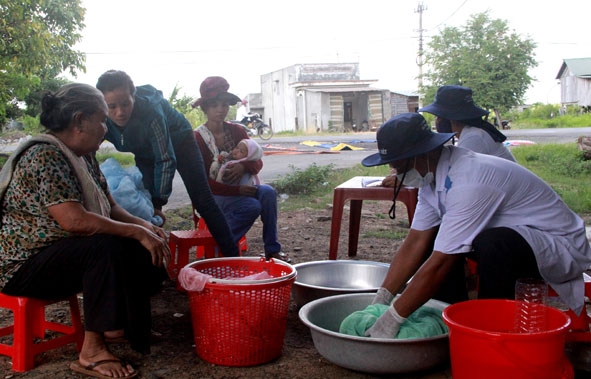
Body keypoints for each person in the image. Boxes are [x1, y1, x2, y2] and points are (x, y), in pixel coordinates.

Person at [360, 112, 591, 339]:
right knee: (437, 239)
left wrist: (394, 317)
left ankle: (490, 328)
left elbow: (442, 263)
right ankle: (448, 319)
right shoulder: (432, 179)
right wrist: (382, 297)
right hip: (519, 238)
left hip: (558, 244)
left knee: (491, 244)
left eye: (401, 167)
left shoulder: (469, 179)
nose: (397, 174)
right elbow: (416, 242)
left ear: (425, 153)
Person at [0, 83, 172, 377]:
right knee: (105, 247)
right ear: (80, 120)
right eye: (102, 119)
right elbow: (74, 221)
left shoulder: (83, 154)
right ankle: (91, 350)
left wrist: (146, 227)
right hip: (23, 266)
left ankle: (122, 327)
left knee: (138, 244)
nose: (106, 127)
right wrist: (134, 233)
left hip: (60, 255)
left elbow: (111, 207)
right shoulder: (45, 156)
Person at [96, 70, 239, 257]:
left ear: (134, 97)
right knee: (143, 204)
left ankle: (233, 257)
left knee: (203, 200)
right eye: (112, 106)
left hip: (181, 143)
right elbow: (88, 148)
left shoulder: (151, 112)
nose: (120, 112)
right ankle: (151, 263)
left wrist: (158, 202)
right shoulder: (99, 116)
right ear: (102, 105)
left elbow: (165, 159)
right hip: (144, 150)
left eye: (125, 104)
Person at [192, 76, 290, 263]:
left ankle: (272, 249)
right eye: (214, 105)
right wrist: (237, 190)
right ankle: (222, 245)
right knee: (251, 206)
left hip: (239, 190)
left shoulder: (237, 131)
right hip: (214, 195)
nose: (221, 110)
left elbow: (257, 162)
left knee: (268, 192)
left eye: (225, 105)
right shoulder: (198, 138)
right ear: (205, 108)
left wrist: (243, 166)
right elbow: (202, 183)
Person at [418, 85, 516, 162]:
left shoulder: (474, 136)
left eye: (438, 116)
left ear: (451, 118)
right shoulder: (473, 132)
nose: (437, 121)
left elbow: (457, 171)